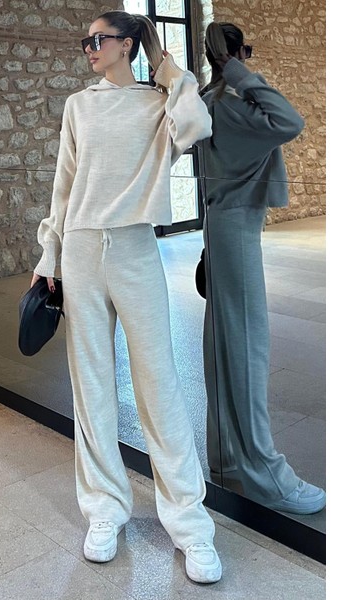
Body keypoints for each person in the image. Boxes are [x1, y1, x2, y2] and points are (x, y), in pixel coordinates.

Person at [31, 9, 222, 584]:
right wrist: (48, 257)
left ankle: (189, 523)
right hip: (82, 250)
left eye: (99, 39)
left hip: (136, 249)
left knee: (159, 383)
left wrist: (168, 68)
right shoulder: (78, 106)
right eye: (86, 41)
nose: (90, 48)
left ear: (129, 45)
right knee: (91, 384)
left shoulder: (157, 103)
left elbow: (197, 126)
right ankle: (104, 510)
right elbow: (64, 186)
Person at [199, 21, 326, 515]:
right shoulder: (231, 105)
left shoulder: (210, 102)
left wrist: (229, 72)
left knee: (225, 345)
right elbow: (289, 121)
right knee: (247, 347)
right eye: (244, 53)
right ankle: (265, 474)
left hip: (222, 226)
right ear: (235, 56)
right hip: (235, 228)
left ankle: (228, 462)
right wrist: (240, 74)